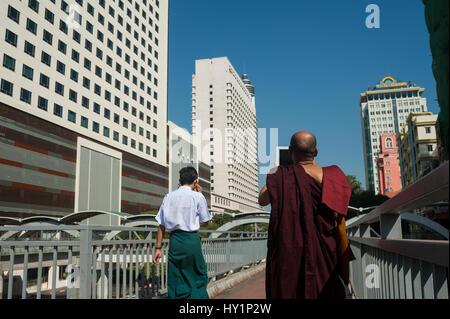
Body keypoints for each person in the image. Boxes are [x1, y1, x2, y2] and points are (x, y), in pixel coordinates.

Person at [259, 131, 355, 299]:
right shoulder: (332, 175)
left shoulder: (279, 175)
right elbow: (340, 224)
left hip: (288, 259)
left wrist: (275, 171)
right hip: (325, 260)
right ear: (316, 152)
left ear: (290, 152)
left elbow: (262, 200)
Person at [153, 166, 212, 299]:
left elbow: (161, 225)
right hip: (192, 241)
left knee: (176, 277)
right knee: (197, 275)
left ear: (180, 181)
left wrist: (158, 248)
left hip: (175, 241)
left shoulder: (168, 197)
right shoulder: (198, 197)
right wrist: (200, 194)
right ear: (195, 181)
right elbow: (205, 222)